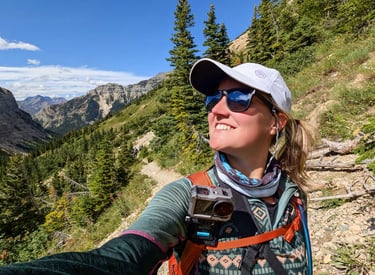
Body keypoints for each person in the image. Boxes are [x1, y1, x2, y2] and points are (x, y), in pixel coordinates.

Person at [0, 58, 315, 275]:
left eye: (238, 98)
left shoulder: (292, 192)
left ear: (276, 121)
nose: (217, 109)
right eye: (213, 99)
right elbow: (124, 256)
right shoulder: (185, 195)